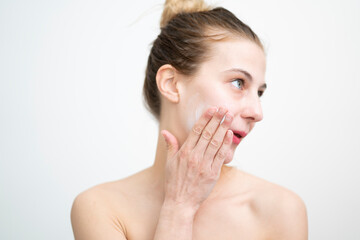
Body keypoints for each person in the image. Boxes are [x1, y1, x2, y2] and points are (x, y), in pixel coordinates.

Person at [71, 0, 308, 239]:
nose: (257, 112)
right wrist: (179, 208)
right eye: (238, 83)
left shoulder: (281, 210)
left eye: (259, 92)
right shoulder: (100, 208)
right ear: (171, 84)